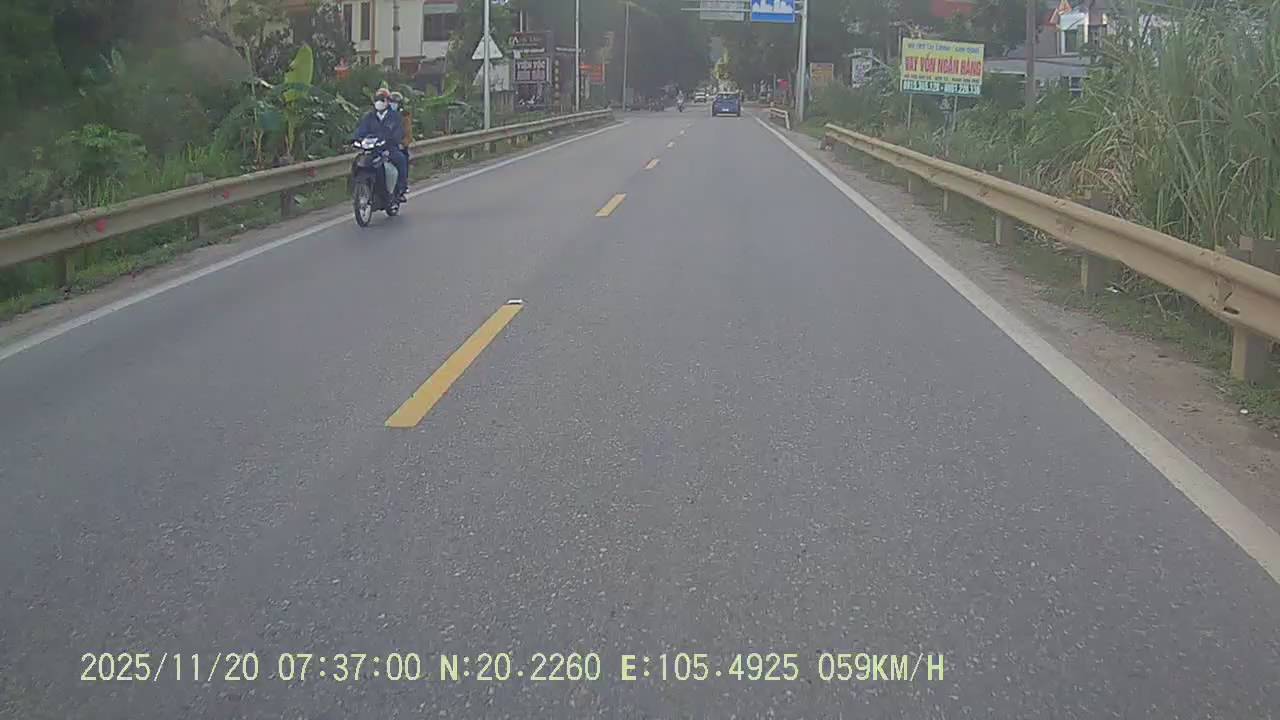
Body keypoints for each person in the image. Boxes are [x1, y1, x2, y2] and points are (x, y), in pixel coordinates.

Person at [352, 89, 408, 202]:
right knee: (357, 162)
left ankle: (401, 189)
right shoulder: (369, 116)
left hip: (389, 148)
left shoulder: (394, 116)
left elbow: (399, 132)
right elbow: (361, 130)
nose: (379, 102)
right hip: (372, 149)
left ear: (387, 101)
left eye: (382, 100)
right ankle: (358, 189)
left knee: (400, 159)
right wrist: (356, 139)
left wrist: (392, 140)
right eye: (377, 100)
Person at [390, 91, 412, 188]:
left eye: (395, 102)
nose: (393, 104)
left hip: (398, 145)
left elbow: (408, 133)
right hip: (384, 145)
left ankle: (402, 184)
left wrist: (403, 143)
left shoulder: (404, 116)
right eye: (391, 102)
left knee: (403, 159)